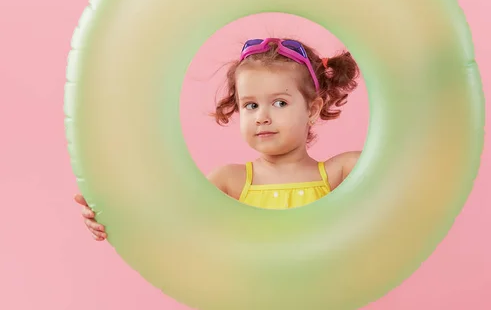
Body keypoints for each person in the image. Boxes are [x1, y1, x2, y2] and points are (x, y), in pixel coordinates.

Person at [74, 37, 363, 241]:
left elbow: (394, 172)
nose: (262, 116)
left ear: (313, 109)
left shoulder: (337, 174)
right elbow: (171, 219)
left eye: (279, 103)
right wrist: (109, 211)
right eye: (251, 105)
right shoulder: (231, 181)